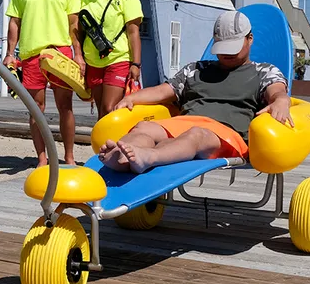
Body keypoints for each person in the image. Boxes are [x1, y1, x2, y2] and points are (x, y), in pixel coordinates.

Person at [98, 10, 292, 174]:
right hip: (185, 124)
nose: (227, 54)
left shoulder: (263, 71)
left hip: (227, 135)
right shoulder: (197, 69)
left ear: (250, 39)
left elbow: (276, 91)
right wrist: (131, 98)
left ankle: (149, 157)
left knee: (196, 135)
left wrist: (281, 100)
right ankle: (121, 157)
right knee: (144, 128)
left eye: (233, 47)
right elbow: (164, 90)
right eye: (222, 47)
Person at [3, 0, 84, 166]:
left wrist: (78, 54)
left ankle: (69, 157)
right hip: (31, 56)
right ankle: (42, 158)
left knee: (65, 107)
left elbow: (73, 25)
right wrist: (10, 53)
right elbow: (14, 23)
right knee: (36, 110)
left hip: (60, 53)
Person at [78, 0, 144, 119]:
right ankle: (105, 145)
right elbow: (79, 32)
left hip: (118, 59)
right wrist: (78, 57)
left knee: (110, 108)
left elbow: (133, 32)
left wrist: (136, 63)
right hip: (93, 62)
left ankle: (117, 143)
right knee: (101, 110)